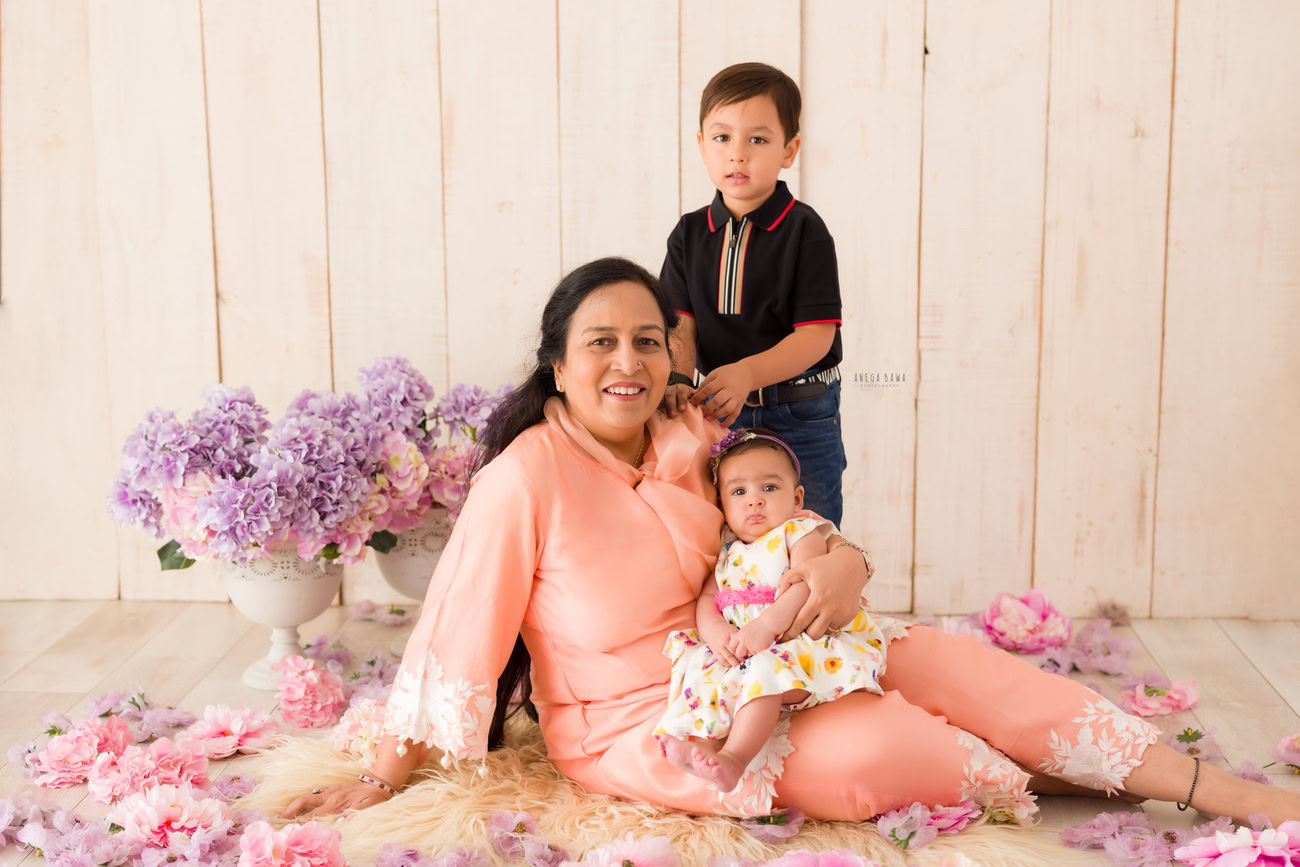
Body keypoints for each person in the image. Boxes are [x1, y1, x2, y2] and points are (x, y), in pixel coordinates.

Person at [283, 257, 1300, 828]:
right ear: (556, 365)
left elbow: (781, 530)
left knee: (947, 660)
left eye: (648, 339)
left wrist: (840, 563)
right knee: (884, 744)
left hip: (775, 654)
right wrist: (381, 774)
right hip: (652, 719)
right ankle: (1056, 772)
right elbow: (455, 637)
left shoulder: (691, 440)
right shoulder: (525, 479)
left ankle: (1210, 788)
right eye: (601, 342)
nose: (629, 361)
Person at [654, 427, 902, 794]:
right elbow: (708, 601)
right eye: (739, 492)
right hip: (743, 647)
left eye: (769, 488)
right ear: (722, 504)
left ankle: (735, 758)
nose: (754, 500)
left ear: (797, 497)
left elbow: (806, 586)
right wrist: (716, 633)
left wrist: (766, 626)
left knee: (765, 672)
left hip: (797, 645)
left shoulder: (800, 533)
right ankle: (702, 744)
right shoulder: (727, 552)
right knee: (701, 669)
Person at [660, 62, 847, 525]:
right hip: (721, 413)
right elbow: (680, 322)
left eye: (757, 140)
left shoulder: (805, 230)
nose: (737, 154)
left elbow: (816, 337)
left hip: (801, 410)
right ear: (702, 146)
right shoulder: (689, 233)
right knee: (726, 532)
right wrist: (680, 381)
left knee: (810, 531)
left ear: (789, 150)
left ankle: (821, 594)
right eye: (722, 138)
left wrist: (747, 373)